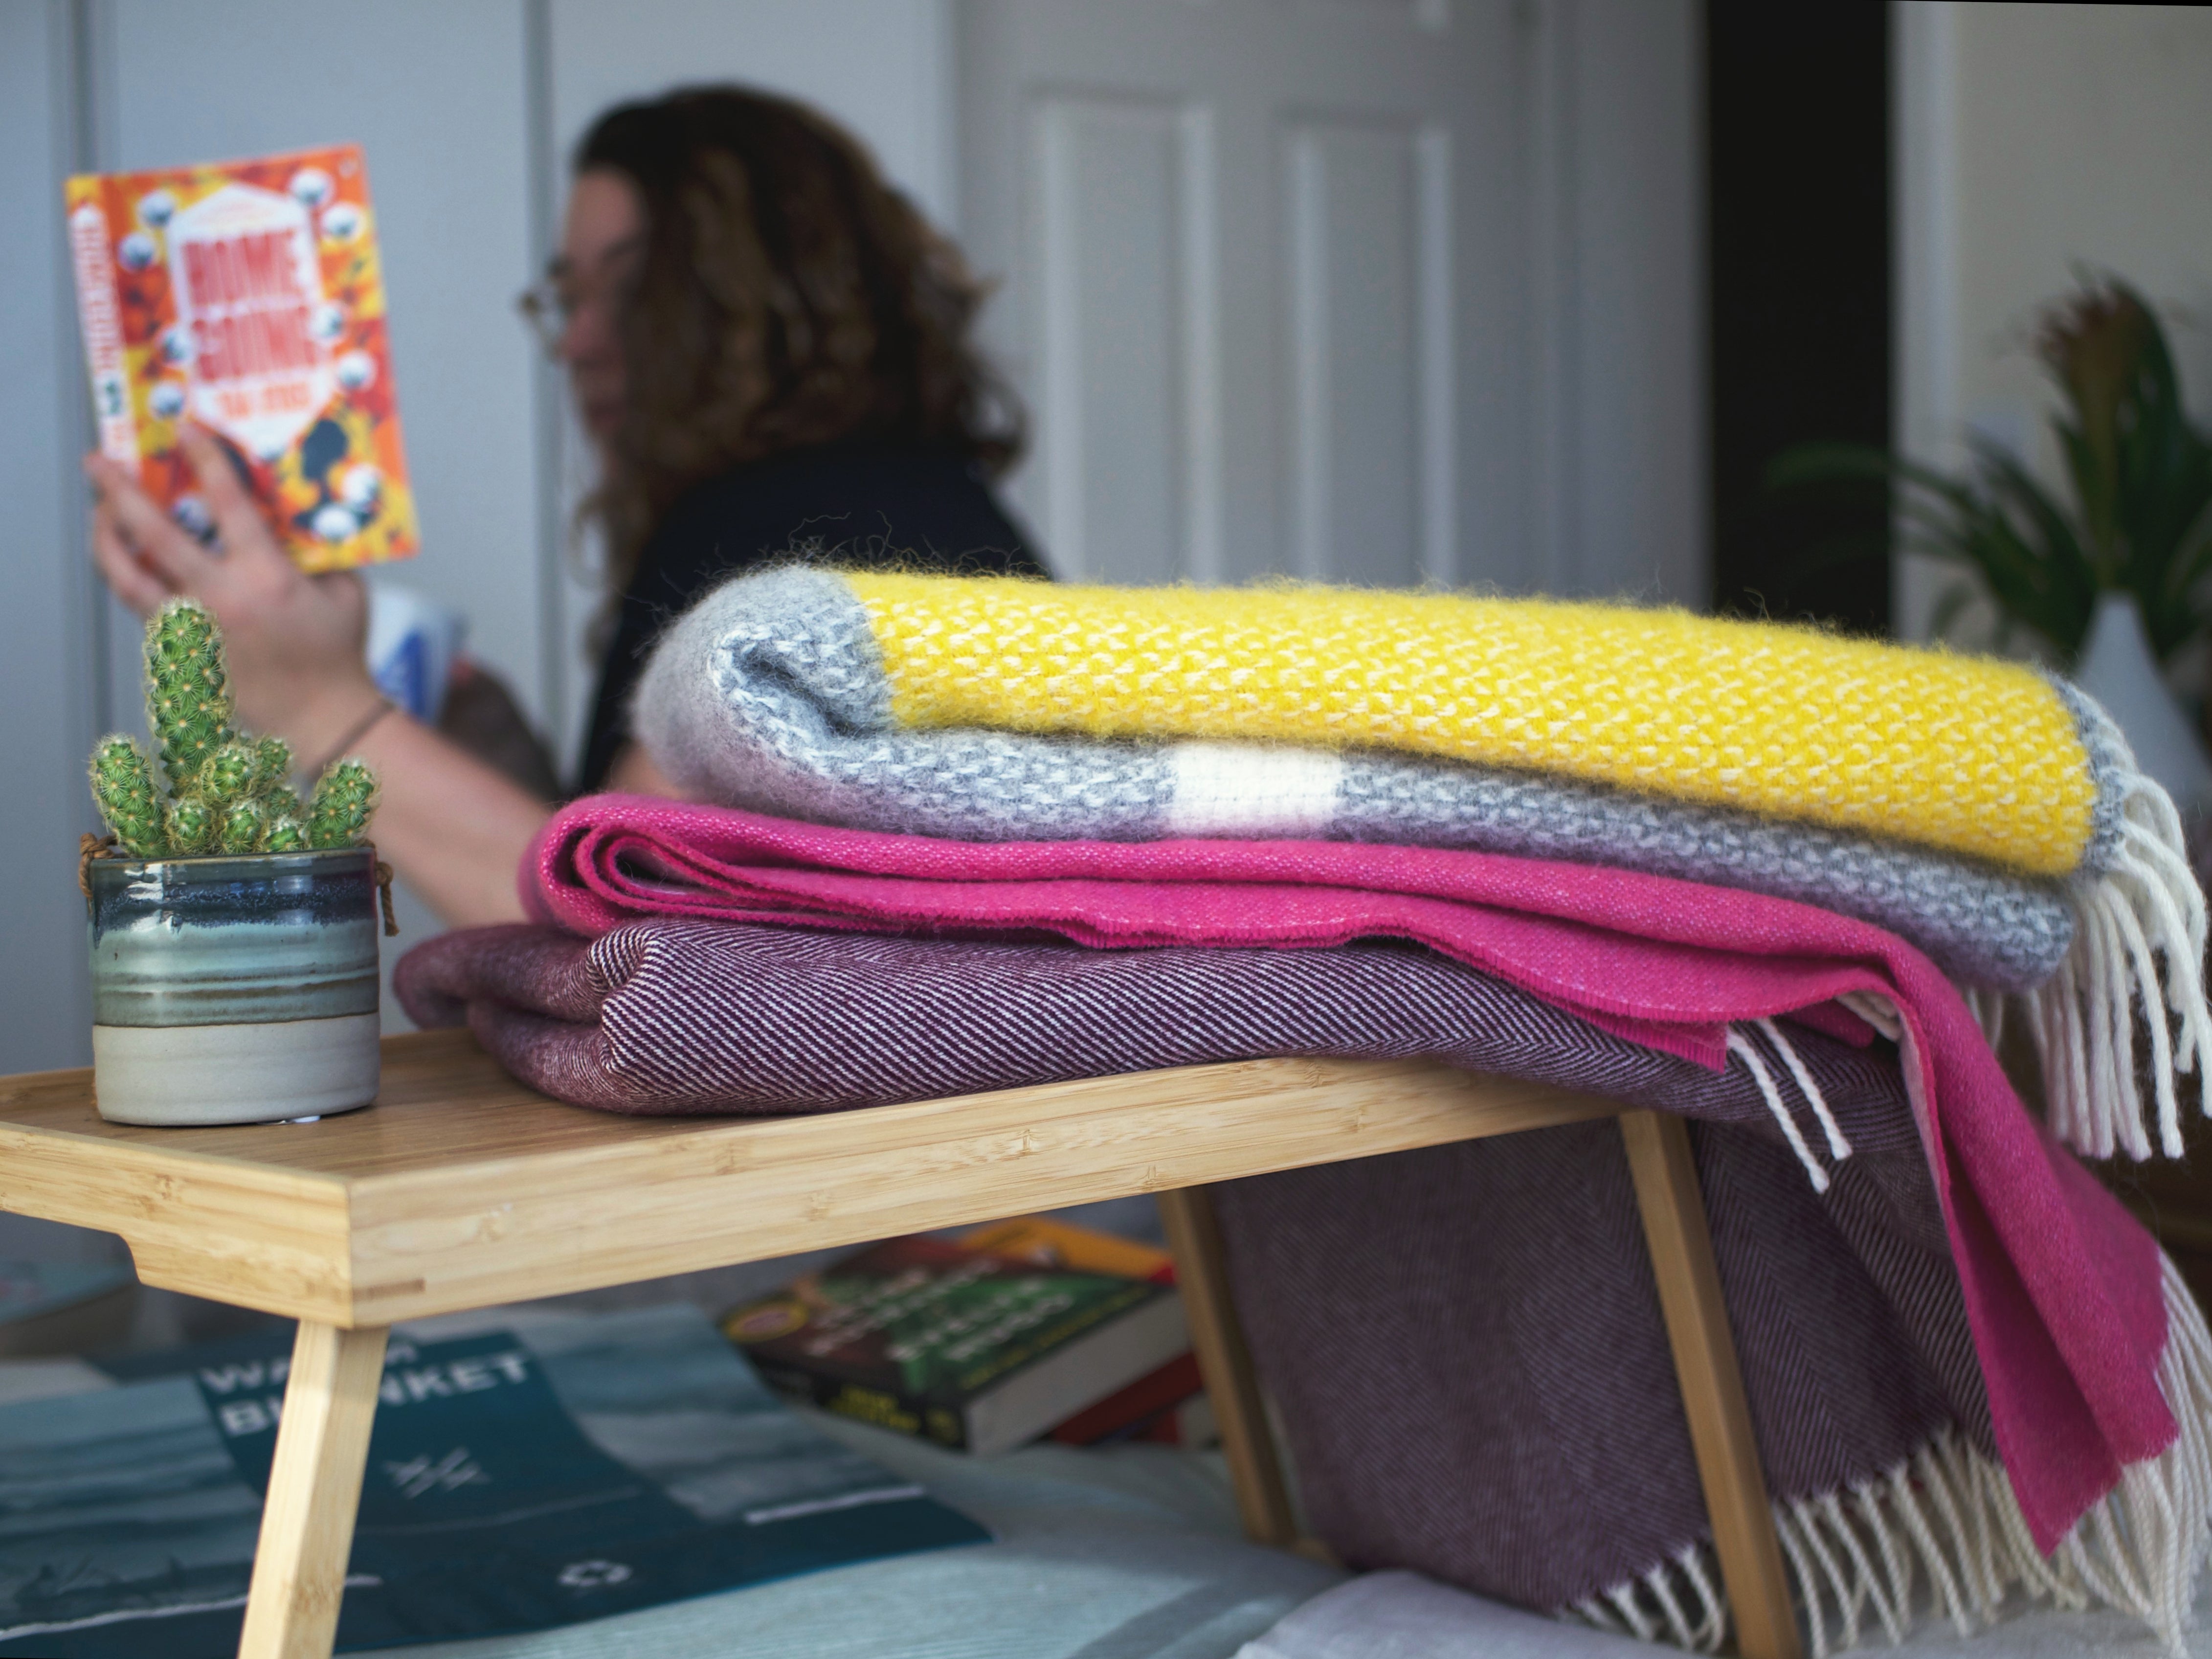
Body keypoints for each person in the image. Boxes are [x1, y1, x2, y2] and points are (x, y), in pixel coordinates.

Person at [84, 86, 1044, 926]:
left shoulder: (795, 525)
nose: (578, 341)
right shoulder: (906, 499)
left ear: (757, 299)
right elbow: (720, 895)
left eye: (630, 289)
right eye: (567, 296)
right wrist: (505, 765)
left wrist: (317, 703)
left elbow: (647, 941)